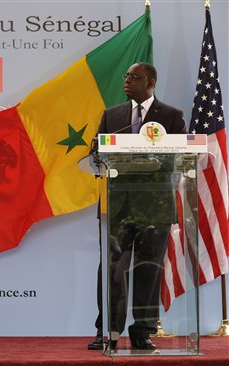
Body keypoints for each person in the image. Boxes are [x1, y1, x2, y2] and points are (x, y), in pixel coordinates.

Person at [87, 62, 186, 351]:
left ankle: (143, 331)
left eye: (135, 77)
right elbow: (98, 156)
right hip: (118, 205)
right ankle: (107, 331)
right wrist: (96, 151)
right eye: (126, 76)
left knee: (148, 270)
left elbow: (177, 158)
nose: (128, 81)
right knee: (113, 269)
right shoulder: (112, 115)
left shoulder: (171, 116)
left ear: (151, 82)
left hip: (154, 205)